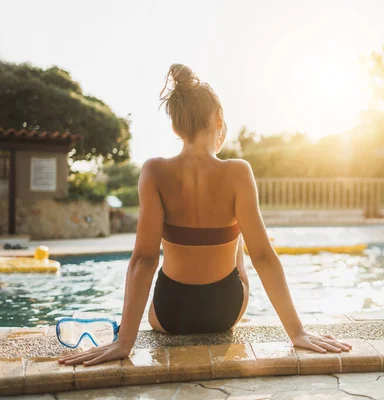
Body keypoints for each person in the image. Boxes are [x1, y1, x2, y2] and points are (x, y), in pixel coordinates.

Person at [59, 64, 351, 366]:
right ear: (219, 120)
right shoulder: (238, 171)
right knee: (236, 234)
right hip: (224, 313)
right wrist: (297, 332)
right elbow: (263, 255)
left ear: (175, 128)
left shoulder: (154, 171)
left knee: (199, 241)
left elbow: (144, 259)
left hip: (169, 314)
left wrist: (124, 342)